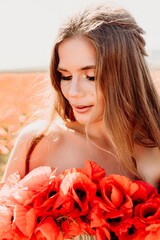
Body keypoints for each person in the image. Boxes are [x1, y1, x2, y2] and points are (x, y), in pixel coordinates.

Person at [2, 3, 160, 191]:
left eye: (91, 76)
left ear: (126, 75)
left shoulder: (153, 153)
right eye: (66, 76)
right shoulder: (38, 142)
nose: (73, 91)